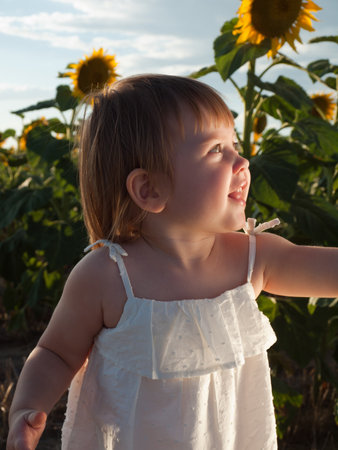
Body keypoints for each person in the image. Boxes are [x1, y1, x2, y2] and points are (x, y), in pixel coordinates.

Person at [6, 74, 338, 450]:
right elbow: (55, 353)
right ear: (149, 189)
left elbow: (323, 268)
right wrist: (26, 410)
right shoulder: (109, 276)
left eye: (234, 144)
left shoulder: (252, 258)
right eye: (216, 150)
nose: (242, 160)